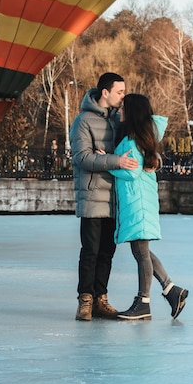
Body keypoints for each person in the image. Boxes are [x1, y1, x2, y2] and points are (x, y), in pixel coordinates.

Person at [109, 93, 188, 320]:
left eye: (123, 108)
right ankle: (172, 291)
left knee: (141, 252)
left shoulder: (132, 142)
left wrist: (109, 163)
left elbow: (131, 171)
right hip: (139, 201)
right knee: (140, 250)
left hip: (138, 203)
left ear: (131, 113)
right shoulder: (141, 138)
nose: (119, 112)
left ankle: (144, 302)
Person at [69, 72, 138, 321]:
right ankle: (85, 299)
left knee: (107, 251)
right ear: (105, 92)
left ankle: (101, 298)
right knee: (90, 250)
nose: (123, 96)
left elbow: (139, 146)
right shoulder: (83, 121)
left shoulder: (118, 121)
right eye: (119, 92)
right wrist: (114, 160)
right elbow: (82, 158)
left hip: (115, 196)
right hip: (91, 195)